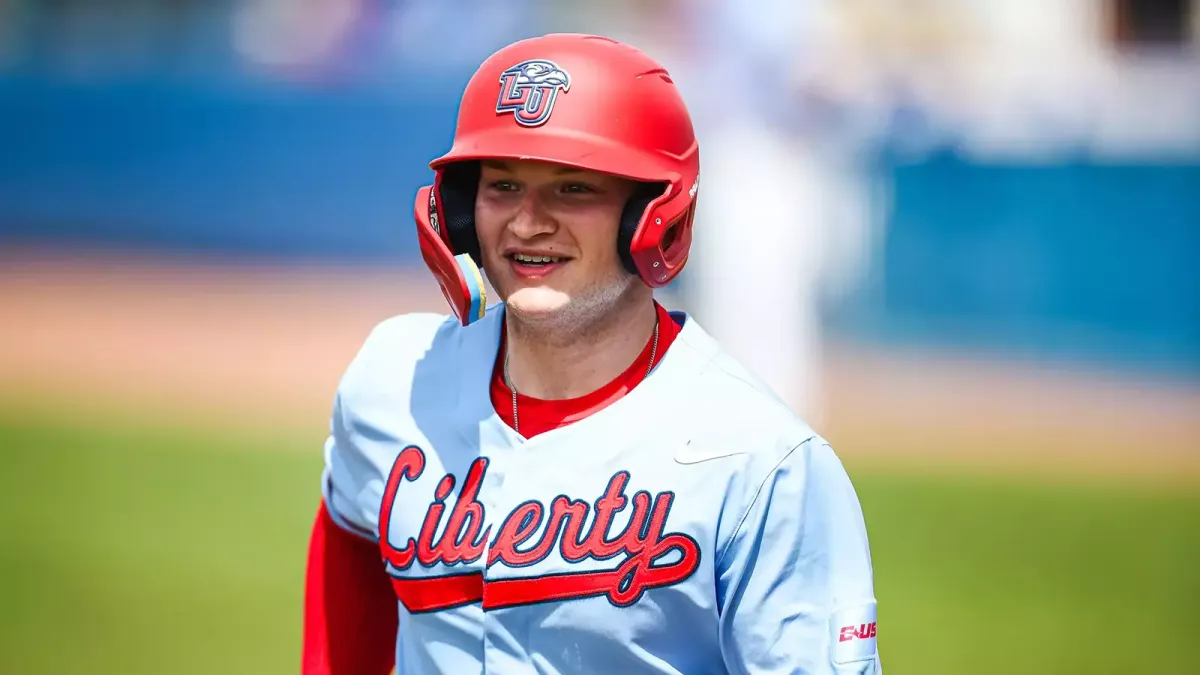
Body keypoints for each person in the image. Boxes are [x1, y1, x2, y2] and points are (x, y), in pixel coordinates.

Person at [301, 33, 881, 675]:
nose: (527, 223)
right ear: (460, 210)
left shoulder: (760, 464)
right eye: (502, 186)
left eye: (572, 188)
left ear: (651, 215)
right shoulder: (392, 383)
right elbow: (349, 541)